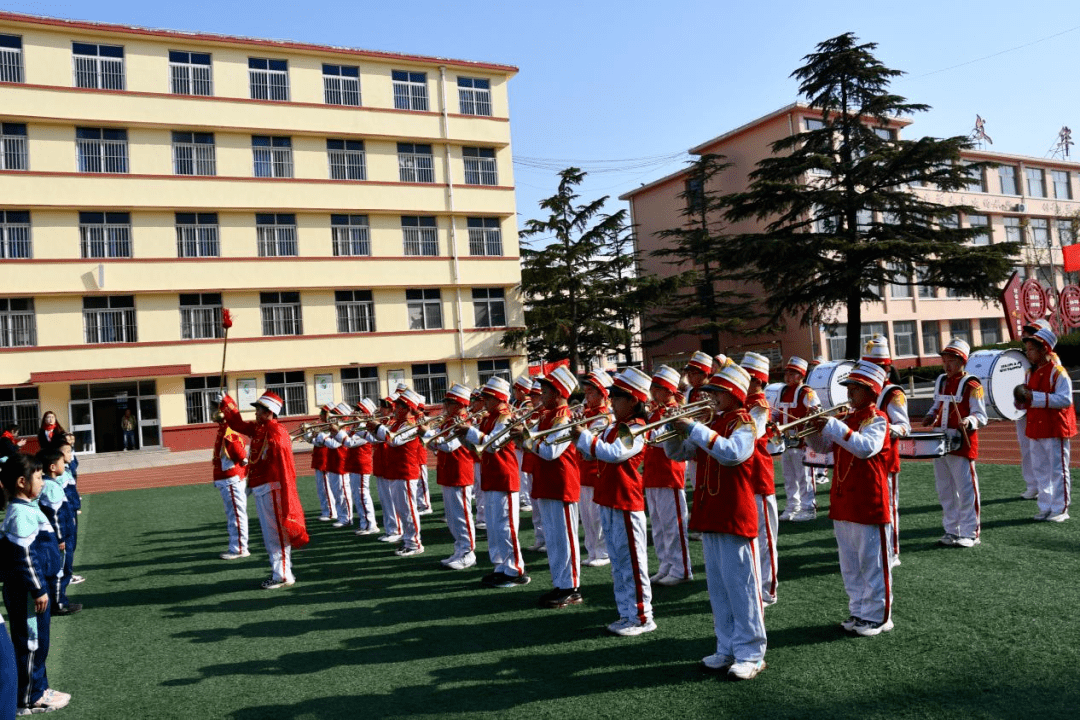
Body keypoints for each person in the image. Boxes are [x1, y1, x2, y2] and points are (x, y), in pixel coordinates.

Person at [664, 363, 767, 679]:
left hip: (735, 513)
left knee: (742, 586)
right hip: (710, 513)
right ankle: (726, 648)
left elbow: (732, 453)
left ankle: (751, 653)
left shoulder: (744, 423)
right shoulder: (713, 422)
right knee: (719, 587)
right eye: (710, 392)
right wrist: (669, 432)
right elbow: (680, 454)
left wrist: (694, 429)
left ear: (734, 394)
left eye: (717, 393)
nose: (710, 397)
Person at [805, 361, 894, 637]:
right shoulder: (847, 420)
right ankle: (858, 611)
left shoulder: (878, 419)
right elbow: (823, 449)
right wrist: (813, 430)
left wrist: (832, 425)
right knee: (850, 563)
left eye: (855, 388)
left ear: (871, 391)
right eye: (849, 387)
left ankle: (877, 616)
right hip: (843, 501)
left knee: (872, 563)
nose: (849, 393)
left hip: (869, 501)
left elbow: (865, 448)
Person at [572, 367, 655, 637]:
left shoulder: (637, 428)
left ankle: (643, 617)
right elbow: (592, 455)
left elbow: (615, 454)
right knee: (619, 563)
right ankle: (627, 613)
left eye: (618, 397)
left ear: (633, 400)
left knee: (632, 562)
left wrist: (584, 437)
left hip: (626, 501)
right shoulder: (614, 427)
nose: (612, 402)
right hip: (608, 498)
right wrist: (580, 440)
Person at [0, 453, 71, 714]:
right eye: (38, 477)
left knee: (39, 642)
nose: (42, 482)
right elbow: (25, 557)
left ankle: (39, 687)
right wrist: (38, 589)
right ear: (21, 482)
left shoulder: (27, 507)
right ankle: (29, 698)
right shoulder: (20, 513)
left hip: (34, 593)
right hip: (28, 595)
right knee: (31, 644)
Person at [219, 390, 309, 588]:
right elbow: (238, 424)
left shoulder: (276, 433)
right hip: (262, 488)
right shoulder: (261, 429)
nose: (255, 413)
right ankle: (280, 573)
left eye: (258, 410)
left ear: (269, 412)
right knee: (270, 535)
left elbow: (283, 462)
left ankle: (283, 575)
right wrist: (227, 402)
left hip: (272, 488)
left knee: (276, 534)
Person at [520, 367, 582, 609]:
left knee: (565, 539)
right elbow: (532, 439)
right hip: (547, 483)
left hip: (562, 484)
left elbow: (550, 452)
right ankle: (560, 583)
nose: (540, 393)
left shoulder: (563, 418)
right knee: (554, 539)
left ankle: (572, 587)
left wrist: (526, 441)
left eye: (545, 390)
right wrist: (524, 436)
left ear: (558, 393)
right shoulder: (545, 415)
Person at [463, 377, 529, 588]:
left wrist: (469, 433)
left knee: (505, 526)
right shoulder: (488, 417)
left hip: (504, 477)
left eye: (489, 397)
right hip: (491, 476)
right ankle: (501, 566)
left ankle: (516, 569)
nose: (485, 401)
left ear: (499, 398)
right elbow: (479, 447)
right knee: (493, 526)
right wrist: (463, 437)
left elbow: (493, 444)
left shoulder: (505, 418)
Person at [921, 338, 987, 548]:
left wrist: (968, 421)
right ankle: (952, 530)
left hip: (962, 443)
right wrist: (931, 415)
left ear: (962, 361)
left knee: (966, 490)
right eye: (945, 360)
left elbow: (981, 416)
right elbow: (937, 404)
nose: (946, 364)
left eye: (951, 360)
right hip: (940, 442)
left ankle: (970, 532)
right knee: (945, 490)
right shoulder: (941, 380)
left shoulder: (972, 385)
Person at [1016, 326, 1075, 522]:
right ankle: (1046, 506)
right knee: (1040, 469)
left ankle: (1060, 509)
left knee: (1058, 470)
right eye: (1028, 349)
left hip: (1054, 427)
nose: (1028, 353)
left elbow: (1065, 399)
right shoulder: (1028, 373)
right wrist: (1019, 400)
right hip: (1035, 428)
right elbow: (1026, 400)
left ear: (1044, 350)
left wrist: (1035, 397)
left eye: (1032, 349)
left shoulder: (1057, 372)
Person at [862, 335, 910, 567]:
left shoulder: (893, 393)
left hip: (886, 460)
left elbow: (904, 426)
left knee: (889, 507)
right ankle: (875, 550)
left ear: (884, 368)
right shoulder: (864, 389)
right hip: (864, 460)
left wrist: (881, 429)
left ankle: (892, 551)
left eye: (872, 366)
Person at [643, 365, 692, 587]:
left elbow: (662, 439)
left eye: (658, 388)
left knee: (673, 525)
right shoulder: (655, 410)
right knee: (659, 525)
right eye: (653, 387)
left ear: (670, 390)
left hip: (669, 474)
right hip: (653, 474)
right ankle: (665, 565)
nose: (653, 392)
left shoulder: (675, 411)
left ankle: (681, 569)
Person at [367, 390, 426, 557]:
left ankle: (415, 543)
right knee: (402, 509)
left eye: (399, 405)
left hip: (406, 472)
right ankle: (408, 540)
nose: (395, 408)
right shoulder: (397, 423)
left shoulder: (410, 425)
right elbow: (384, 438)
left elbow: (395, 440)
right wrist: (374, 429)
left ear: (407, 408)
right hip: (396, 471)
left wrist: (377, 427)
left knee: (408, 510)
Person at [741, 352, 779, 605]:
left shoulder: (760, 406)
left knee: (765, 538)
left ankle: (768, 589)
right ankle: (754, 583)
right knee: (750, 535)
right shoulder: (743, 403)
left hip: (759, 477)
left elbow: (750, 436)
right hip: (744, 477)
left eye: (747, 377)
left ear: (758, 380)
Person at [424, 384, 477, 570]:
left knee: (462, 515)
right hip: (447, 470)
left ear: (460, 404)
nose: (445, 405)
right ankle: (459, 549)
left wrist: (429, 435)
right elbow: (437, 445)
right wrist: (430, 441)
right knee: (452, 516)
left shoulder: (464, 423)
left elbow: (449, 445)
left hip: (460, 472)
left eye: (449, 402)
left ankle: (468, 552)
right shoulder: (448, 421)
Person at [772, 357, 821, 521]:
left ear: (801, 375)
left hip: (803, 442)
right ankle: (792, 506)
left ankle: (808, 508)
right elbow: (776, 412)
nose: (788, 376)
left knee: (805, 476)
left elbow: (817, 412)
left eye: (792, 373)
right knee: (788, 476)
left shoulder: (807, 392)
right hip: (786, 441)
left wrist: (809, 419)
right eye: (786, 372)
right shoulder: (782, 391)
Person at [35, 449, 81, 617]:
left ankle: (60, 600)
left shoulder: (50, 485)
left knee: (61, 569)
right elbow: (55, 516)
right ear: (53, 467)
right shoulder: (51, 487)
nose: (66, 464)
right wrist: (60, 537)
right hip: (60, 538)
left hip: (59, 536)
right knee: (61, 570)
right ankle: (59, 603)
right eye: (62, 462)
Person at [1017, 319, 1057, 501]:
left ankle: (1048, 490)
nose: (1028, 335)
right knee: (1027, 450)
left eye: (1033, 332)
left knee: (1048, 455)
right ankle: (1032, 485)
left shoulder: (1052, 362)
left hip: (1044, 413)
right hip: (1028, 411)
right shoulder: (1025, 358)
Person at [578, 369, 613, 567]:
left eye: (591, 392)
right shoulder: (587, 415)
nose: (587, 396)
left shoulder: (603, 417)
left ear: (602, 394)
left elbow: (589, 445)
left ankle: (602, 553)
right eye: (586, 393)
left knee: (597, 517)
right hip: (583, 471)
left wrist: (578, 434)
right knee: (587, 517)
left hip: (596, 471)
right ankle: (592, 551)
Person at [212, 410, 249, 560]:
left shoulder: (229, 432)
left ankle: (239, 548)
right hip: (228, 478)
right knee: (233, 514)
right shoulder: (225, 430)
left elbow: (240, 454)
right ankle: (237, 546)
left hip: (232, 478)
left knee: (236, 515)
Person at [343, 399, 379, 535]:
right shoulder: (356, 427)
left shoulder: (365, 428)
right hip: (354, 464)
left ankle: (371, 524)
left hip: (362, 465)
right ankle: (364, 523)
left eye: (359, 411)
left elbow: (350, 443)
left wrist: (340, 434)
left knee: (363, 495)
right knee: (357, 496)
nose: (354, 413)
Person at [319, 403, 354, 529]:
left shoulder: (344, 429)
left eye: (335, 414)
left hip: (341, 463)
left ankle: (347, 517)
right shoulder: (336, 429)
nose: (331, 417)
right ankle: (341, 516)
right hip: (333, 462)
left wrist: (322, 437)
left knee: (343, 492)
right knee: (336, 492)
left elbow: (334, 444)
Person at [523, 379, 546, 552]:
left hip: (541, 461)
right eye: (532, 396)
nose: (534, 399)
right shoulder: (533, 414)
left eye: (537, 396)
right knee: (536, 506)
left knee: (542, 505)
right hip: (531, 461)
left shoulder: (547, 415)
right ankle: (540, 538)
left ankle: (546, 539)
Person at [308, 404, 337, 522]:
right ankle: (326, 510)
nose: (320, 415)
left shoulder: (331, 428)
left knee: (326, 488)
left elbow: (322, 442)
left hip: (325, 460)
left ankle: (330, 512)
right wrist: (309, 436)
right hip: (319, 459)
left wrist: (317, 436)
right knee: (321, 488)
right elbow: (315, 441)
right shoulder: (323, 427)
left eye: (323, 413)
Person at [511, 376, 535, 515]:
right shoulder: (517, 403)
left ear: (522, 390)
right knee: (520, 472)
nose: (514, 392)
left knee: (524, 473)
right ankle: (523, 497)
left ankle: (526, 499)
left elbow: (527, 421)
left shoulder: (528, 405)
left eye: (516, 389)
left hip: (525, 442)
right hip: (518, 442)